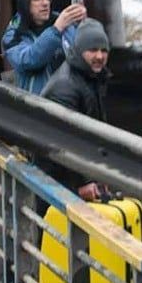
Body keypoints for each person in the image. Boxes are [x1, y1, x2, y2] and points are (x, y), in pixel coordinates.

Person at [39, 20, 114, 198]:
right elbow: (64, 143)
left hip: (75, 177)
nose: (99, 56)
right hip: (56, 183)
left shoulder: (91, 77)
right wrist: (84, 184)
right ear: (80, 51)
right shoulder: (65, 87)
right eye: (93, 50)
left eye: (104, 50)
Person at [1, 0, 84, 96]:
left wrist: (83, 24)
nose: (44, 3)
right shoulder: (14, 34)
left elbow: (84, 54)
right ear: (25, 4)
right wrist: (56, 30)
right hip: (37, 104)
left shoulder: (66, 24)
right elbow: (29, 60)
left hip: (69, 100)